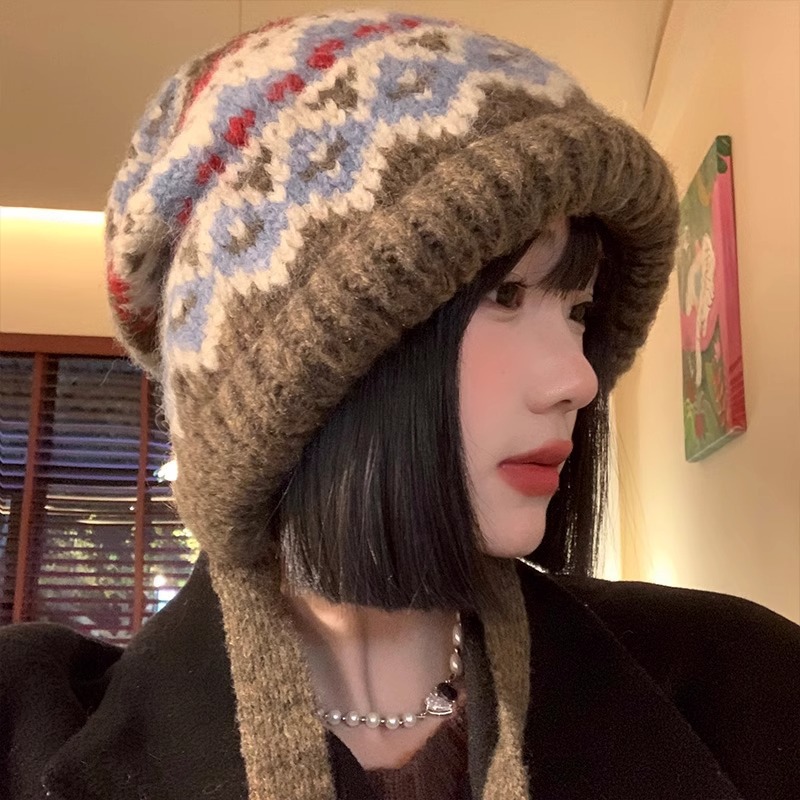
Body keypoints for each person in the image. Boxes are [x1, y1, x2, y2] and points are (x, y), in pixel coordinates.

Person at [1, 9, 798, 800]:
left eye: (579, 310)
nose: (580, 381)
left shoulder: (741, 680)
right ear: (307, 381)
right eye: (506, 295)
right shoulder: (24, 723)